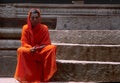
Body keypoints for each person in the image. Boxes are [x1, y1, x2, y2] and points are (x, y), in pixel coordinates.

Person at [14, 8, 57, 83]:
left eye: (36, 17)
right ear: (29, 18)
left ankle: (45, 76)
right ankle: (26, 77)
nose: (34, 19)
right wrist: (30, 49)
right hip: (30, 50)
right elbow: (24, 43)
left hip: (41, 50)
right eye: (32, 18)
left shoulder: (44, 28)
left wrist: (38, 48)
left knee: (52, 48)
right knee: (20, 50)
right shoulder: (25, 28)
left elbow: (47, 43)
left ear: (39, 18)